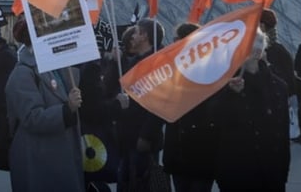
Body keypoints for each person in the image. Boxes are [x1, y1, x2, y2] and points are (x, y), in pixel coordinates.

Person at [5, 19, 83, 192]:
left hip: (60, 154)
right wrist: (67, 109)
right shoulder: (22, 73)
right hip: (39, 158)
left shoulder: (56, 66)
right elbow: (32, 118)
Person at [212, 28, 290, 191]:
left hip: (271, 171)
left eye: (260, 41)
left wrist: (283, 170)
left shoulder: (279, 86)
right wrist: (230, 94)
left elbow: (282, 132)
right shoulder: (222, 83)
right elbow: (213, 120)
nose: (255, 46)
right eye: (249, 41)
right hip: (237, 172)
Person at [162, 22, 218, 192]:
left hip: (201, 154)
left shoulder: (212, 72)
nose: (172, 44)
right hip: (178, 154)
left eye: (176, 40)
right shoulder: (171, 72)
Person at [114, 18, 165, 192]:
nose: (132, 36)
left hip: (142, 140)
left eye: (136, 32)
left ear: (144, 36)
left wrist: (146, 136)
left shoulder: (157, 64)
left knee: (142, 184)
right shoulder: (135, 61)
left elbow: (158, 104)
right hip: (127, 137)